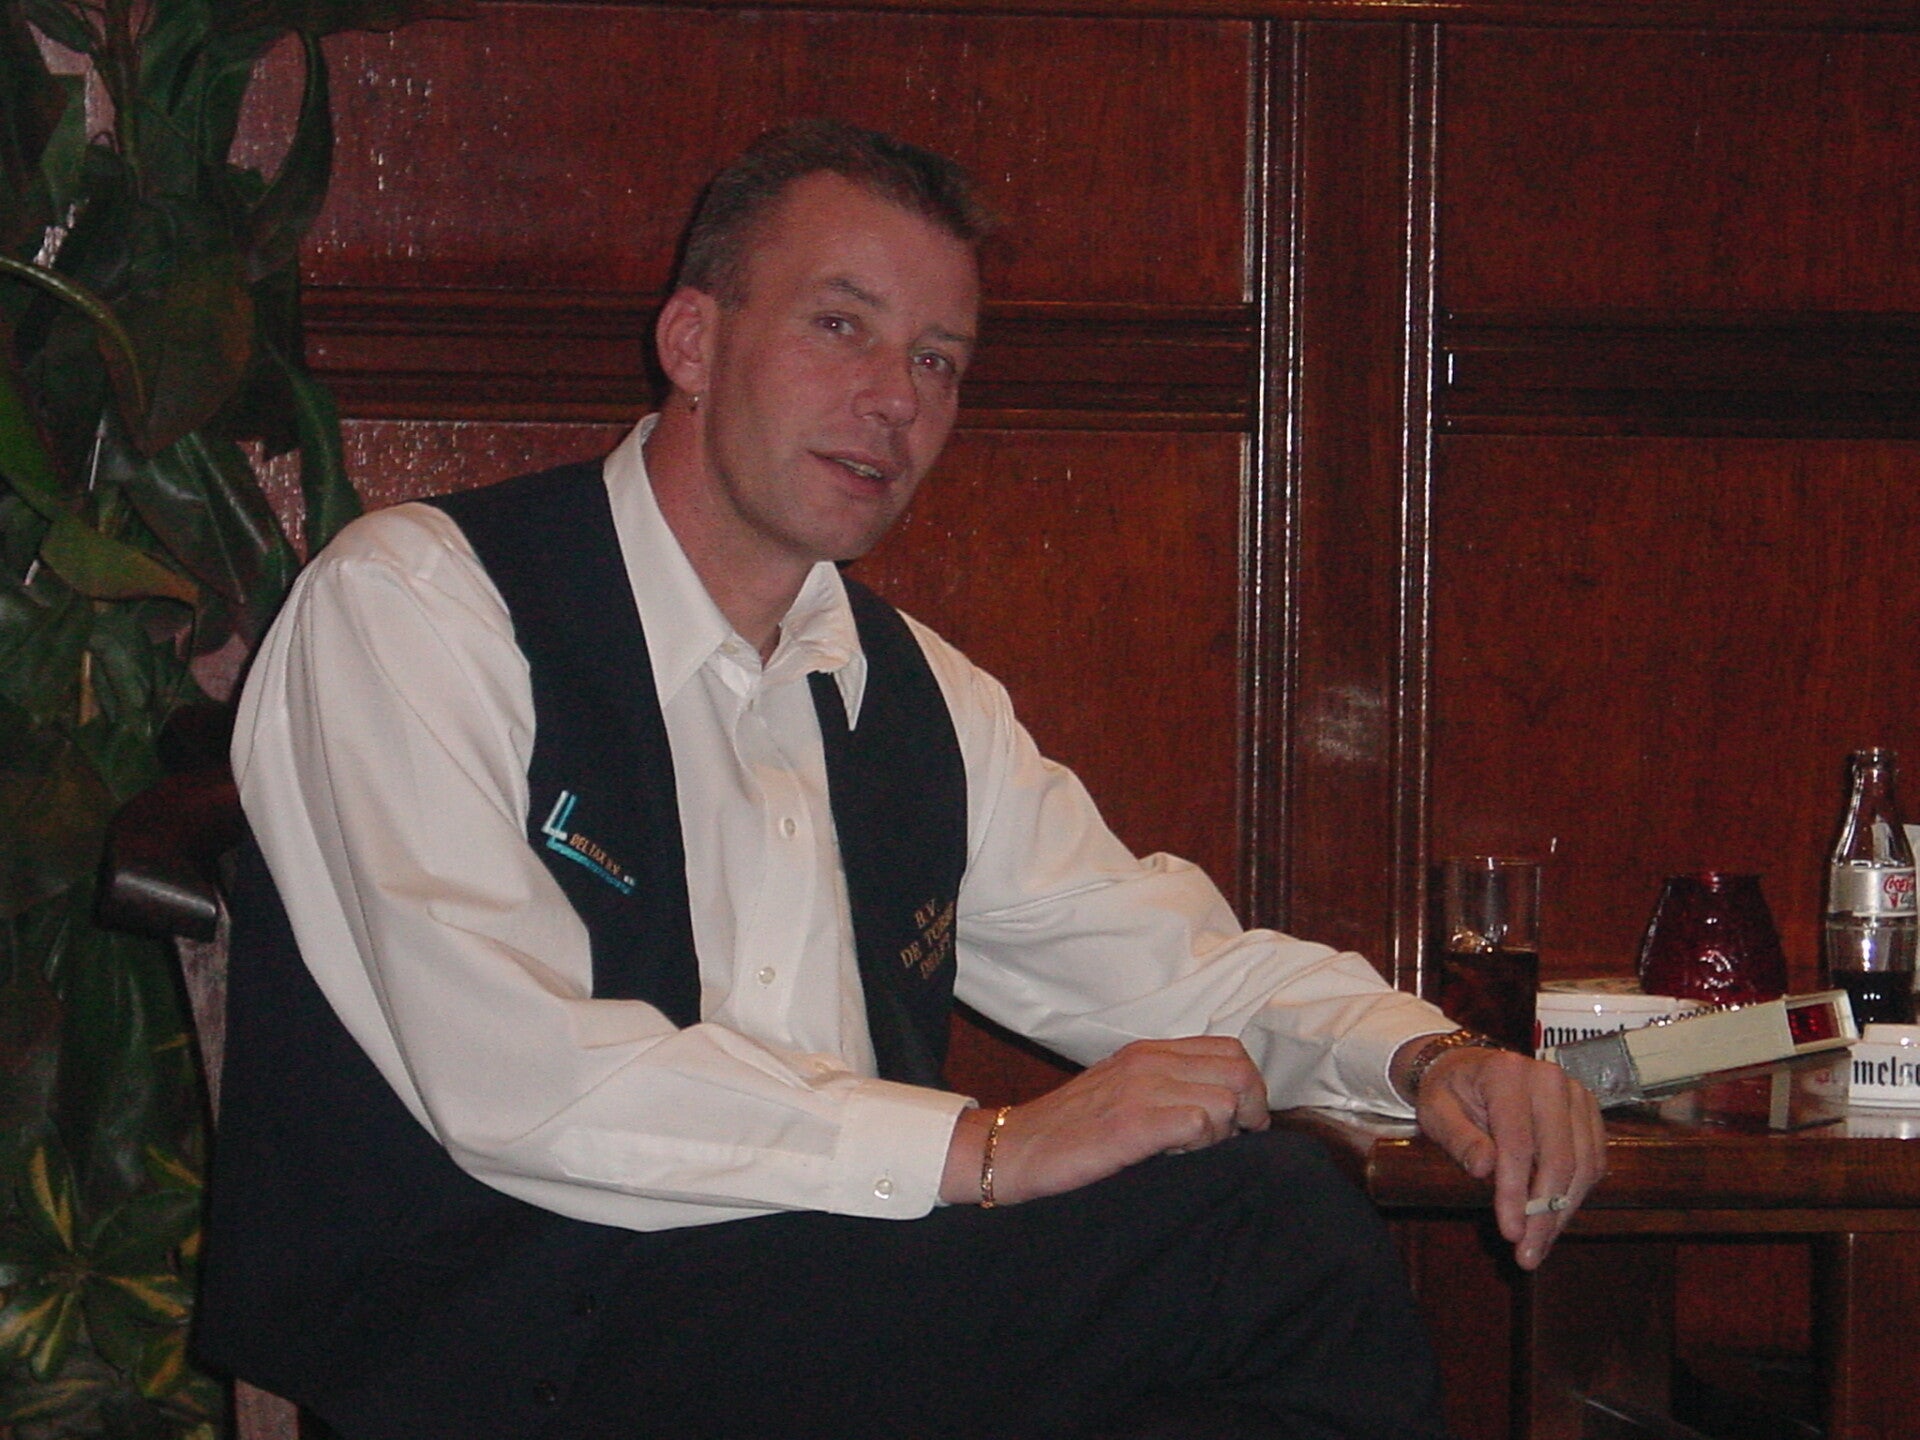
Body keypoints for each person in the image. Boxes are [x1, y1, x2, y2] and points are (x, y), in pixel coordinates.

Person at [197, 120, 1605, 1440]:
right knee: (1260, 1237)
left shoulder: (912, 690)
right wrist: (984, 1148)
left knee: (1252, 1248)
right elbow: (516, 1077)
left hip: (828, 1311)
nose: (893, 400)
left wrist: (1432, 1059)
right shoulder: (422, 606)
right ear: (693, 339)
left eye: (939, 359)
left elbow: (1169, 964)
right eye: (841, 326)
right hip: (510, 1329)